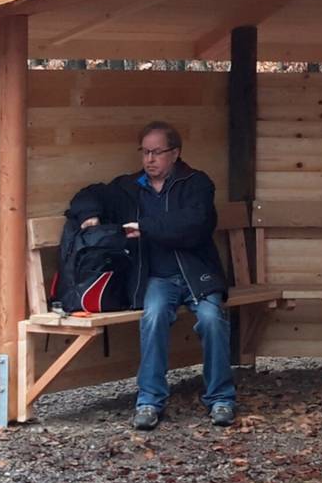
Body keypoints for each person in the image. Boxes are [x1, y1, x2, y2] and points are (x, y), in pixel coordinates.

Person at [82, 122, 236, 430]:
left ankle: (221, 399)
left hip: (197, 275)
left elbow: (193, 227)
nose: (150, 159)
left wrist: (146, 228)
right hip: (157, 279)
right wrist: (89, 213)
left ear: (175, 153)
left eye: (157, 152)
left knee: (212, 320)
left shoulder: (197, 183)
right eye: (145, 152)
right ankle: (149, 402)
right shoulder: (129, 187)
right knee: (152, 317)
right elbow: (90, 193)